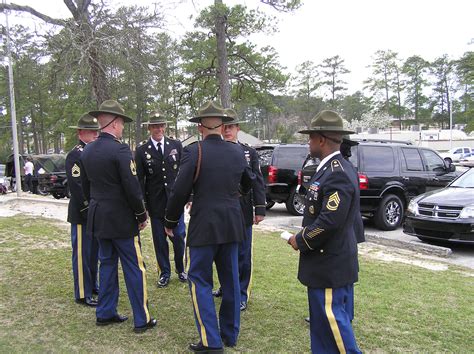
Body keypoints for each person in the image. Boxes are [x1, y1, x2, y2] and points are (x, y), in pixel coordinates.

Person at [164, 101, 254, 352]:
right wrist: (232, 196)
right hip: (232, 224)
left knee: (199, 280)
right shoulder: (237, 151)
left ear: (201, 126)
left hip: (205, 224)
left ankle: (210, 340)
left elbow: (180, 189)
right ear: (223, 125)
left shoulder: (194, 151)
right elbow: (249, 182)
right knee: (231, 280)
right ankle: (230, 334)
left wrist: (170, 220)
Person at [287, 110, 361, 353]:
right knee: (321, 325)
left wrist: (301, 239)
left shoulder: (337, 171)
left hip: (329, 261)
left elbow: (330, 220)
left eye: (310, 138)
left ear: (321, 140)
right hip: (324, 261)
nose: (308, 143)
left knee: (333, 322)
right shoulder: (329, 168)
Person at [81, 100, 156, 333]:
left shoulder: (88, 149)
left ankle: (105, 312)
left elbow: (85, 187)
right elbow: (132, 187)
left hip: (99, 216)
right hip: (122, 219)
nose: (123, 127)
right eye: (122, 122)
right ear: (113, 123)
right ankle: (141, 318)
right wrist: (141, 214)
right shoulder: (120, 149)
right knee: (135, 267)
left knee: (107, 263)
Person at [212, 109, 266, 312]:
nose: (227, 131)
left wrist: (259, 208)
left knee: (243, 254)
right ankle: (226, 287)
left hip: (242, 210)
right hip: (221, 211)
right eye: (224, 127)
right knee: (223, 253)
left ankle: (242, 293)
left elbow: (257, 182)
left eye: (231, 127)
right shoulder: (214, 150)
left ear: (238, 129)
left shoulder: (248, 152)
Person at [135, 111, 186, 288]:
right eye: (155, 126)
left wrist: (188, 196)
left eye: (161, 125)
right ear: (149, 128)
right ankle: (164, 272)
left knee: (179, 237)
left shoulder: (176, 145)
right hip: (155, 203)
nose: (158, 129)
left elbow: (183, 173)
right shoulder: (142, 150)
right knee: (159, 240)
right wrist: (143, 205)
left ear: (165, 126)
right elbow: (139, 180)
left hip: (175, 203)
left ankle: (181, 269)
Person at [66, 113, 100, 307]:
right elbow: (77, 187)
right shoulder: (76, 154)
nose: (95, 135)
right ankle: (82, 292)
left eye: (96, 131)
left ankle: (93, 285)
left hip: (94, 212)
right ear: (80, 133)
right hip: (81, 214)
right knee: (82, 254)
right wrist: (87, 210)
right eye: (90, 131)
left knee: (93, 253)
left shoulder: (92, 152)